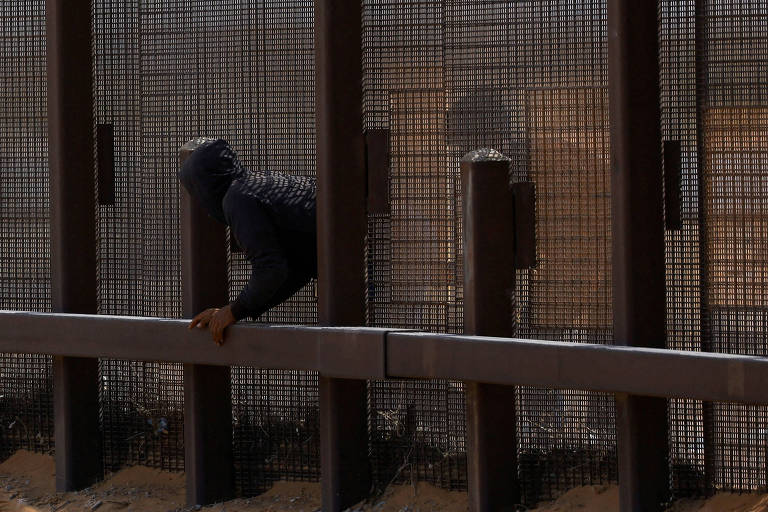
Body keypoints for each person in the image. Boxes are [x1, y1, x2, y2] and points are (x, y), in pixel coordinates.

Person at [178, 138, 317, 345]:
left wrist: (235, 310)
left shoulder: (238, 198)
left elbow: (270, 269)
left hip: (347, 267)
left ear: (204, 188)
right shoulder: (258, 185)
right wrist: (236, 309)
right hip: (352, 264)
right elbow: (294, 269)